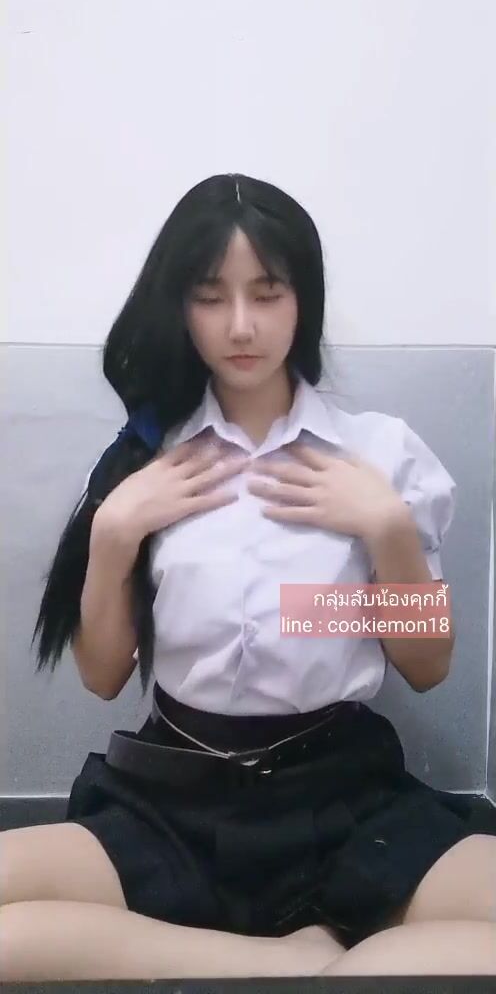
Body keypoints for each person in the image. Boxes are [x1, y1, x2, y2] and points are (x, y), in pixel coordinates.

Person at [2, 173, 495, 981]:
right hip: (173, 803)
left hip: (344, 800)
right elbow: (102, 677)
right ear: (180, 306)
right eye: (210, 296)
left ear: (304, 300)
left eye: (267, 293)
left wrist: (388, 529)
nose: (240, 325)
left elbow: (426, 667)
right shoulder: (146, 464)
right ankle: (295, 963)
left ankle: (329, 963)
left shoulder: (379, 454)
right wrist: (115, 534)